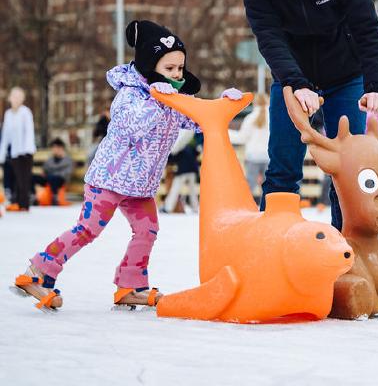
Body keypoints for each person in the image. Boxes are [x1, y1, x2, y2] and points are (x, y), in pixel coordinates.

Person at [11, 20, 242, 311]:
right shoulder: (130, 95)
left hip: (140, 186)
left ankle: (130, 285)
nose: (176, 75)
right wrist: (161, 101)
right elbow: (135, 126)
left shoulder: (171, 97)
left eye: (180, 69)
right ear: (149, 65)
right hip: (109, 179)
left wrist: (224, 105)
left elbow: (196, 119)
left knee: (148, 230)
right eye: (169, 69)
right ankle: (38, 272)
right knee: (88, 229)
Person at [233, 0, 378, 231]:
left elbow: (366, 27)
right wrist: (295, 82)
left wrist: (375, 84)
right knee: (283, 165)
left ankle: (346, 248)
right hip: (292, 80)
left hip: (346, 77)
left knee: (346, 165)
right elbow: (269, 37)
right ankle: (274, 246)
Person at [0, 87, 36, 212]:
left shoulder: (25, 112)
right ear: (10, 98)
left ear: (22, 99)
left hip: (26, 151)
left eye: (18, 96)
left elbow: (29, 132)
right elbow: (6, 135)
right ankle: (18, 203)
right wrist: (2, 153)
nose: (15, 99)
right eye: (13, 96)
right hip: (15, 151)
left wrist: (26, 150)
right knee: (16, 178)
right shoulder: (8, 114)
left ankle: (24, 205)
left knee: (24, 179)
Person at [228, 92, 270, 199]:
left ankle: (244, 207)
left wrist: (226, 132)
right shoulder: (273, 117)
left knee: (249, 186)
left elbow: (242, 138)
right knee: (269, 187)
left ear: (255, 103)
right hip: (268, 157)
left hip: (253, 156)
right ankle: (268, 209)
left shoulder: (250, 118)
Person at [161, 129, 200, 213]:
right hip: (192, 170)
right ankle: (195, 208)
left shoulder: (178, 147)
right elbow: (197, 153)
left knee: (175, 189)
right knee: (192, 191)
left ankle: (168, 208)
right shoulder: (189, 146)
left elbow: (172, 158)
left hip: (183, 170)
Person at [32, 138, 73, 206]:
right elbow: (45, 170)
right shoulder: (50, 160)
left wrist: (53, 174)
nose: (54, 150)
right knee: (33, 177)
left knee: (54, 178)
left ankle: (54, 197)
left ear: (61, 148)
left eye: (55, 148)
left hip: (60, 180)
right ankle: (33, 196)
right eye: (53, 148)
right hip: (49, 178)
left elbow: (67, 173)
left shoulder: (68, 160)